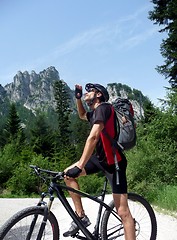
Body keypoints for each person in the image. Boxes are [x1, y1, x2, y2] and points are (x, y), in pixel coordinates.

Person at [63, 83, 136, 240]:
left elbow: (94, 137)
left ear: (98, 94)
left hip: (114, 163)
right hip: (100, 160)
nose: (86, 93)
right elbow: (82, 115)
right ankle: (81, 216)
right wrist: (78, 98)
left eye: (89, 91)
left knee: (123, 212)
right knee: (68, 175)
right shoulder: (96, 112)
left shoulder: (103, 108)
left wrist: (80, 165)